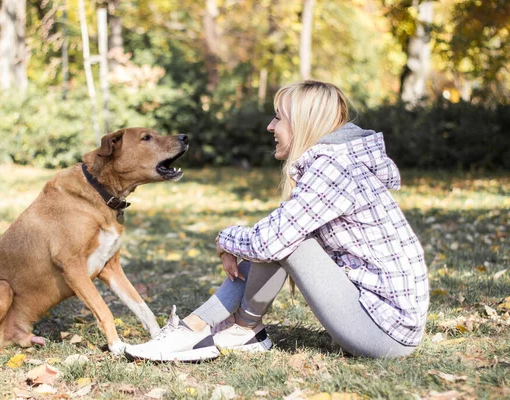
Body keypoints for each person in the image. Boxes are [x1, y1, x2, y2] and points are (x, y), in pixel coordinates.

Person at [124, 80, 429, 362]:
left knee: (282, 239)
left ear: (303, 123)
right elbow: (272, 237)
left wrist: (223, 239)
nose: (271, 126)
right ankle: (238, 329)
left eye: (278, 118)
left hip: (383, 333)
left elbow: (271, 242)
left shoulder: (335, 168)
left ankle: (199, 329)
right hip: (383, 322)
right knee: (280, 233)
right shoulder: (339, 162)